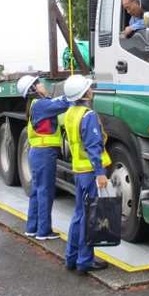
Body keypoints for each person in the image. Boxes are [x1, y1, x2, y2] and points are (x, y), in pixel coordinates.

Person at [62, 74, 111, 275]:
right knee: (89, 218)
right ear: (84, 93)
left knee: (79, 215)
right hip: (91, 173)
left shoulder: (70, 113)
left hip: (79, 170)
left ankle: (71, 257)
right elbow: (93, 146)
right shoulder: (88, 115)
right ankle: (85, 261)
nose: (92, 89)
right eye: (89, 87)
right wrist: (100, 173)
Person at [16, 75, 72, 240]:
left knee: (36, 190)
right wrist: (75, 92)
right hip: (44, 153)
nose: (43, 84)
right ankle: (44, 231)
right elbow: (64, 104)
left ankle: (32, 228)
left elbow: (54, 103)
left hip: (38, 153)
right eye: (38, 83)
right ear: (33, 89)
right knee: (45, 191)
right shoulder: (41, 105)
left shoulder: (36, 105)